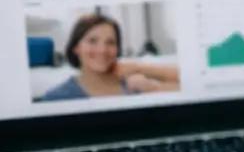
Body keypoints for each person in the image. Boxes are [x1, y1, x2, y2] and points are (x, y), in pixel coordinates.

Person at [38, 13, 180, 102]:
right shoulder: (58, 97)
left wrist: (142, 72)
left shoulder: (133, 83)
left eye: (110, 42)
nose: (102, 50)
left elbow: (190, 84)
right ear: (76, 48)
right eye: (92, 41)